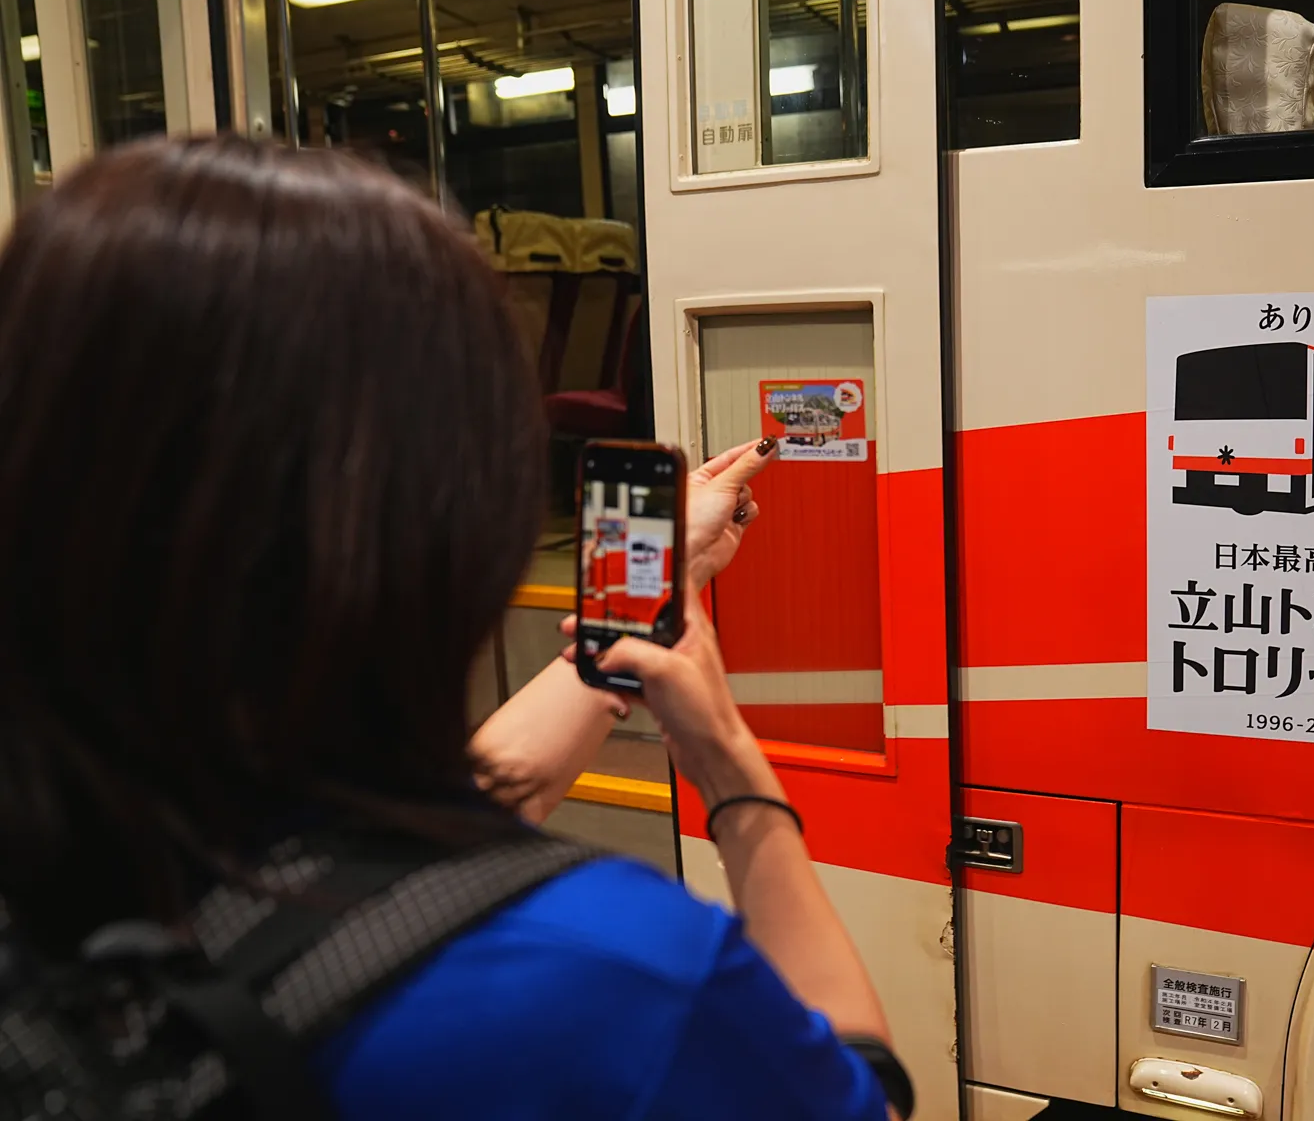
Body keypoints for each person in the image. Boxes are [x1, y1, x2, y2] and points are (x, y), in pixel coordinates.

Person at [0, 137, 900, 1120]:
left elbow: (386, 860)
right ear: (445, 518)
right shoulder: (610, 976)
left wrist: (646, 596)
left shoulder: (102, 838)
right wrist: (733, 775)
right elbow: (861, 1096)